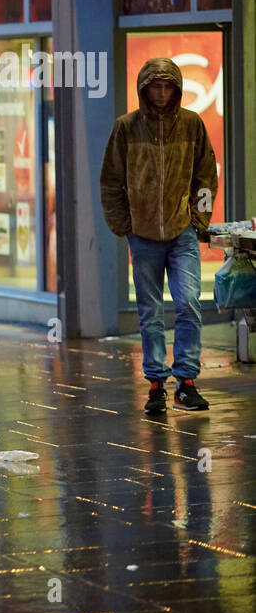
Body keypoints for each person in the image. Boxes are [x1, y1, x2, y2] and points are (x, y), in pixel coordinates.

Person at [100, 58, 218, 413]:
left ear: (177, 89)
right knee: (150, 312)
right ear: (145, 89)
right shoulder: (127, 128)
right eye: (156, 86)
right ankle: (155, 385)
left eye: (168, 86)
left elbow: (206, 176)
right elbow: (111, 181)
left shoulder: (192, 125)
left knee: (188, 305)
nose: (163, 93)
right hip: (144, 235)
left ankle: (187, 382)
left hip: (182, 233)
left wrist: (199, 219)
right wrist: (124, 225)